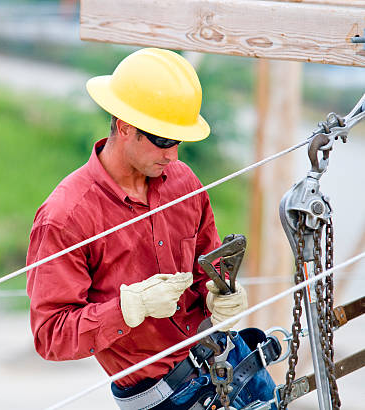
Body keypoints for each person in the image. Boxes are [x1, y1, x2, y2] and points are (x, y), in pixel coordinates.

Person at [26, 48, 271, 409]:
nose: (173, 155)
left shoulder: (183, 183)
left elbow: (207, 266)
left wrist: (219, 293)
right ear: (124, 126)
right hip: (163, 396)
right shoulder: (67, 216)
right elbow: (51, 336)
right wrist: (128, 309)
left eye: (178, 141)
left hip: (229, 364)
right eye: (162, 140)